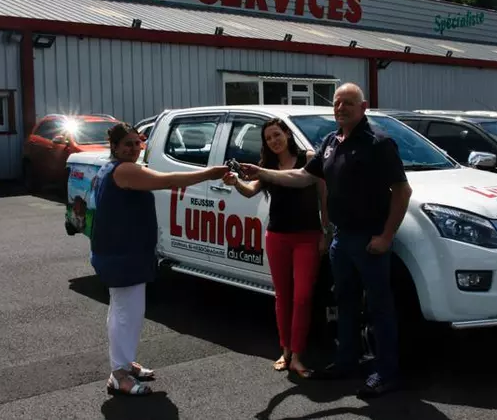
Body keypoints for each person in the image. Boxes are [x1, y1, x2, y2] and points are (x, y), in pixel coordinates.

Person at [239, 83, 412, 398]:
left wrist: (387, 235)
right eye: (337, 102)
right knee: (345, 304)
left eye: (348, 102)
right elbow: (304, 176)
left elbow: (403, 191)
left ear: (363, 107)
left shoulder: (379, 143)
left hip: (369, 239)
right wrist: (262, 172)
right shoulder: (332, 142)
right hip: (342, 241)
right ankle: (346, 361)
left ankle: (387, 372)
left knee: (379, 306)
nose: (341, 107)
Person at [90, 122, 228, 396]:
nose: (133, 148)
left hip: (126, 251)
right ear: (115, 148)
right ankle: (119, 374)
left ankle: (125, 363)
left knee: (128, 309)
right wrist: (210, 173)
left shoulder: (116, 168)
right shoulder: (125, 170)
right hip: (122, 254)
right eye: (126, 144)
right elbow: (168, 180)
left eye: (136, 143)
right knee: (126, 312)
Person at [222, 118, 329, 378]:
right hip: (277, 236)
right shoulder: (267, 165)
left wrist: (326, 231)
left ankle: (298, 356)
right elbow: (250, 191)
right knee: (282, 296)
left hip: (307, 236)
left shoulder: (309, 158)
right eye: (269, 138)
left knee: (303, 297)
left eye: (277, 134)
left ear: (287, 134)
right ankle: (285, 351)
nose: (274, 141)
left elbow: (323, 195)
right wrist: (235, 182)